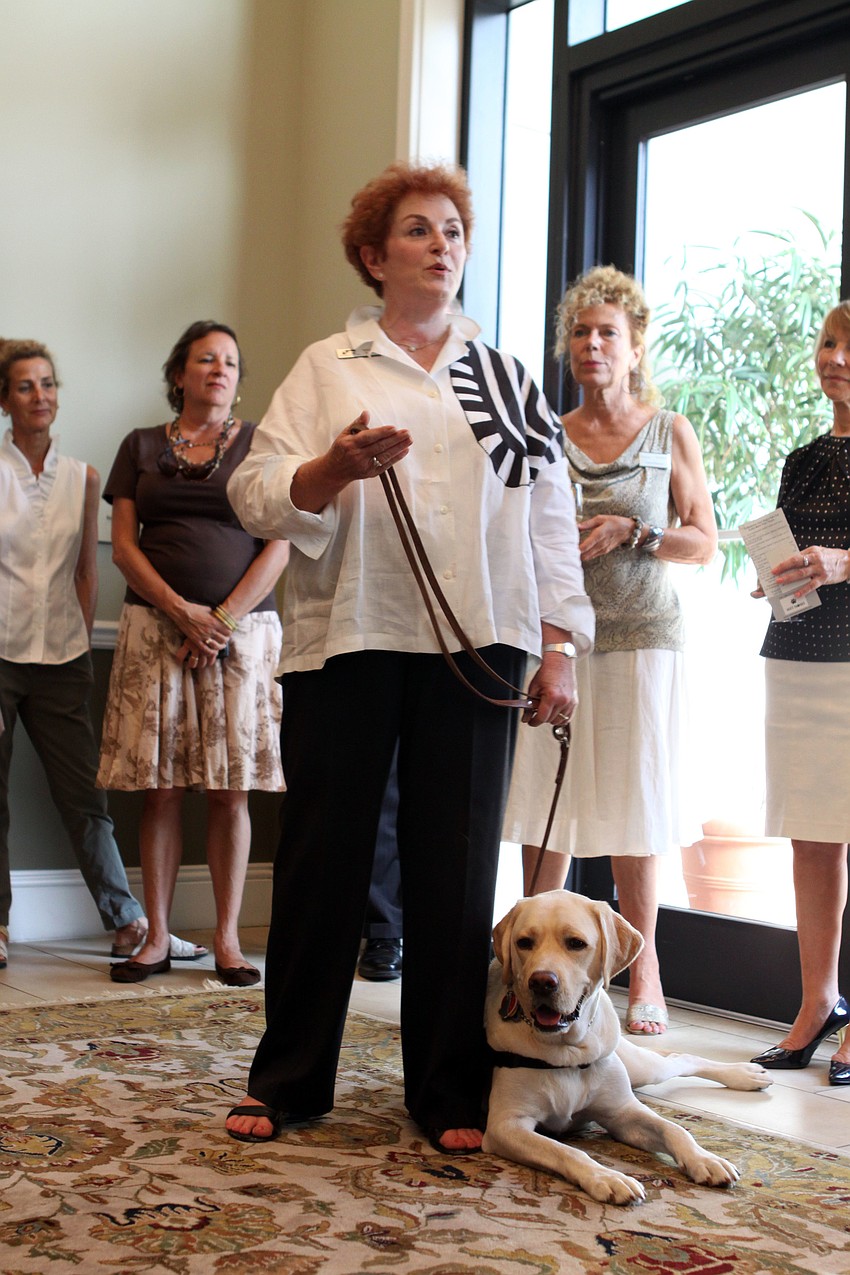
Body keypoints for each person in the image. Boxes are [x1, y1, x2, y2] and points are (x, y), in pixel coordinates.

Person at [224, 161, 593, 1152]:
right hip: (348, 636)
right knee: (321, 865)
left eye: (452, 233)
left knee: (456, 871)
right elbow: (255, 494)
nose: (441, 246)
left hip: (481, 645)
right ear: (373, 254)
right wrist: (328, 468)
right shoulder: (325, 367)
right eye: (418, 231)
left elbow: (550, 522)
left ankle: (446, 1090)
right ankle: (291, 1078)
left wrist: (560, 647)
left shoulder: (505, 377)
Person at [503, 265, 717, 1036]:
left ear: (634, 350)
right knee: (546, 801)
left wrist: (638, 530)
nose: (593, 345)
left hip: (642, 642)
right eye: (581, 334)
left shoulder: (670, 431)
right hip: (558, 638)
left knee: (635, 805)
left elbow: (705, 541)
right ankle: (530, 969)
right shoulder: (547, 434)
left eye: (608, 334)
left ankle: (645, 966)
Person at [97, 321, 289, 987]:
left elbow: (280, 544)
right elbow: (124, 545)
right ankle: (154, 936)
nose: (220, 369)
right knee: (161, 788)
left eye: (231, 361)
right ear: (179, 373)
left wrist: (223, 619)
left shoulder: (264, 445)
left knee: (230, 790)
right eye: (206, 358)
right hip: (155, 627)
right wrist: (182, 611)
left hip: (243, 636)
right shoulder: (141, 446)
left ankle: (230, 940)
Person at [0, 338, 148, 966]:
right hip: (0, 654)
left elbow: (88, 571)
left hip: (62, 659)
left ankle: (124, 916)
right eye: (27, 386)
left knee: (85, 797)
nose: (41, 396)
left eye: (49, 384)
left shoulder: (84, 477)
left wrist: (83, 650)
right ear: (6, 400)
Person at [749, 301, 850, 1085]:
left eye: (849, 346)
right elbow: (791, 552)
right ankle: (818, 1002)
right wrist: (776, 579)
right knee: (811, 837)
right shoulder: (804, 457)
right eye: (828, 340)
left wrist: (841, 561)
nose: (836, 357)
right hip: (796, 658)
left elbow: (836, 556)